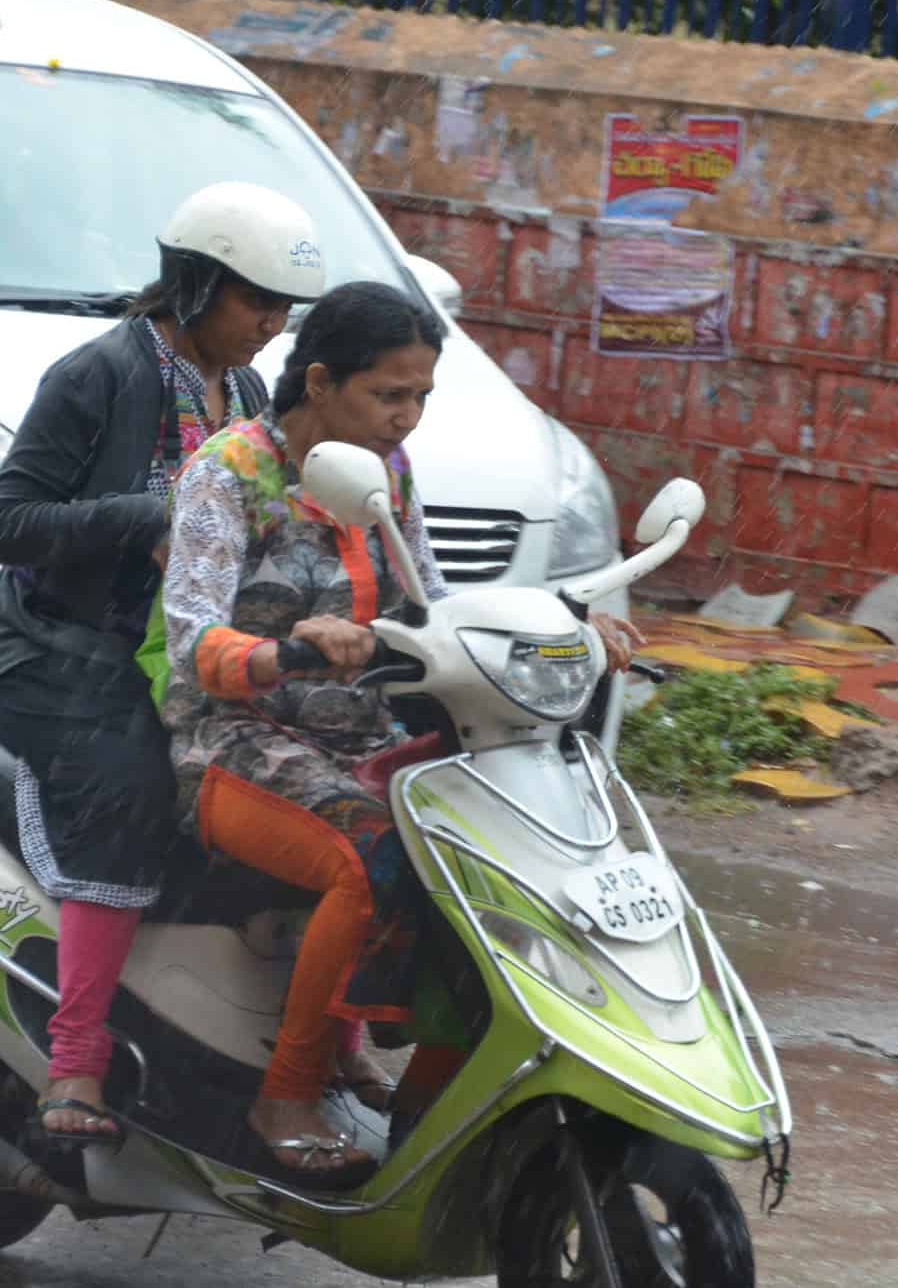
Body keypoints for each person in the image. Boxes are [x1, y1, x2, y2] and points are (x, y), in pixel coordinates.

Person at [160, 281, 640, 1185]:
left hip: (360, 738)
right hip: (230, 742)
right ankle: (286, 1094)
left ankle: (423, 1083)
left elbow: (434, 606)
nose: (407, 417)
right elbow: (193, 644)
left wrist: (569, 625)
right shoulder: (226, 474)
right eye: (389, 394)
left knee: (489, 840)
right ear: (319, 381)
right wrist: (284, 652)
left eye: (420, 395)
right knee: (368, 853)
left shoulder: (389, 472)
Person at [0, 182, 326, 1143]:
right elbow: (2, 525)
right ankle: (75, 1061)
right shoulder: (96, 376)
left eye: (284, 309)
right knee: (131, 786)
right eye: (257, 301)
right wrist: (149, 515)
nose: (272, 326)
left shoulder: (249, 394)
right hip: (57, 655)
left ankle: (306, 1044)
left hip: (187, 656)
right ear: (196, 283)